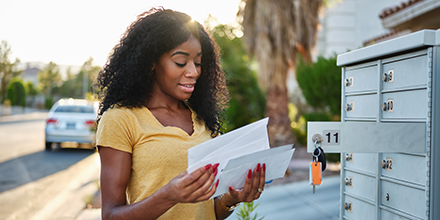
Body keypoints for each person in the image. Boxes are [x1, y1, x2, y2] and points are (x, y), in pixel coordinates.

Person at [94, 8, 266, 220]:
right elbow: (111, 215)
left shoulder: (202, 118)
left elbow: (207, 212)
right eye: (181, 62)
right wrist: (168, 196)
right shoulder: (121, 119)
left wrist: (231, 199)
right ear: (151, 62)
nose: (193, 72)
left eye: (198, 62)